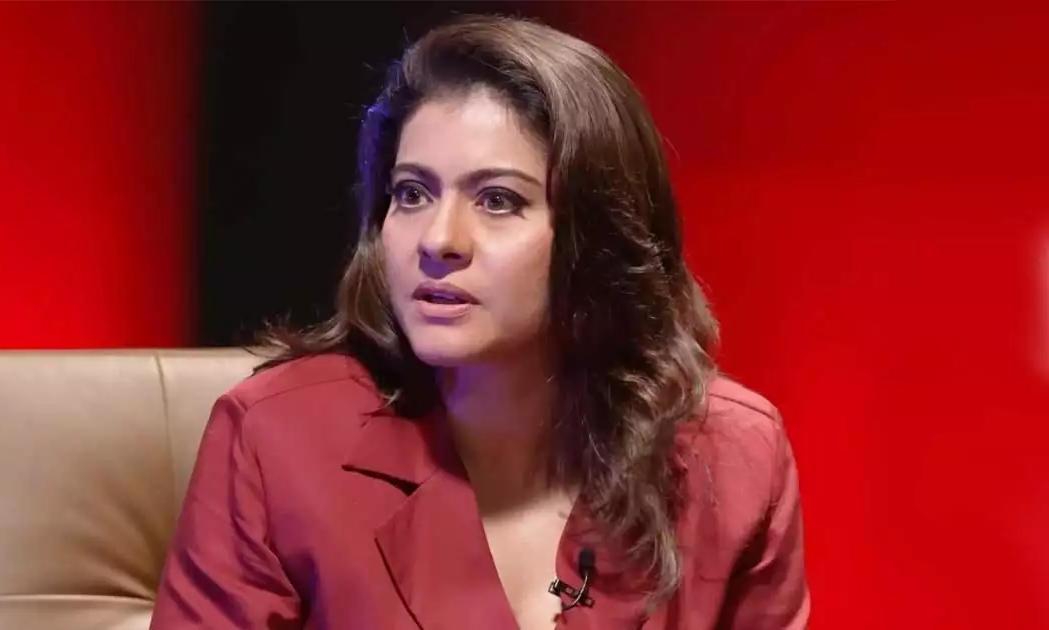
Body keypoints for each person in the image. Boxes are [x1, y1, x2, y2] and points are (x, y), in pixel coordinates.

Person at [150, 14, 809, 630]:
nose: (439, 240)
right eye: (412, 193)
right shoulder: (278, 439)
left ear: (599, 233)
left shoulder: (733, 458)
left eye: (497, 200)